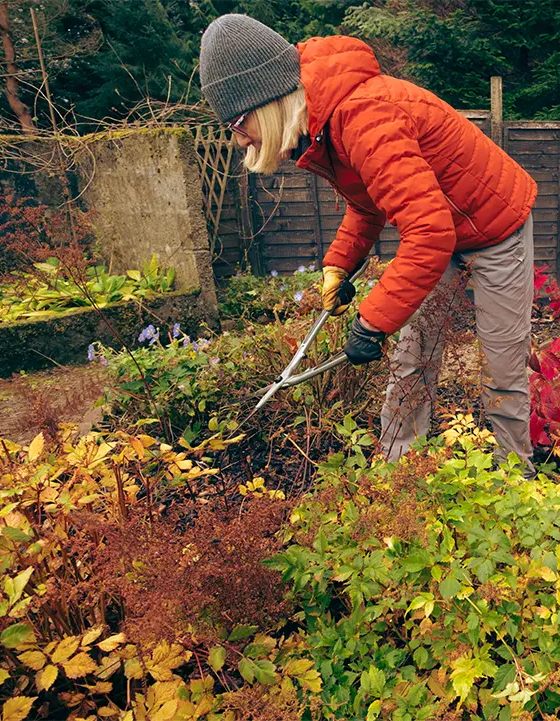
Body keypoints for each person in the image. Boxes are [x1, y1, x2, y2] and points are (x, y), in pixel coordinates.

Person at [199, 14, 537, 471]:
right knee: (412, 356)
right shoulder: (322, 124)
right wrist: (339, 263)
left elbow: (429, 232)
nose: (239, 140)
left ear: (268, 103)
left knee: (501, 366)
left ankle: (515, 478)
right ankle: (398, 471)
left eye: (239, 124)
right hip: (437, 228)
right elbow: (368, 203)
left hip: (495, 225)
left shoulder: (364, 116)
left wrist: (372, 322)